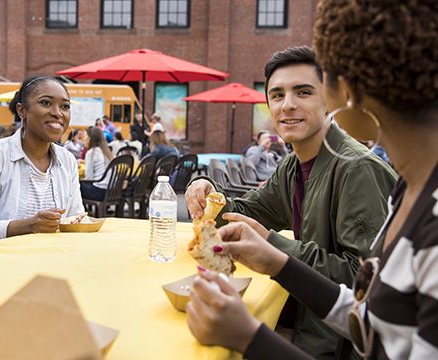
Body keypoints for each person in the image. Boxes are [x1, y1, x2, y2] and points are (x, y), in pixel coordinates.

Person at [187, 1, 438, 359]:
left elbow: (357, 279)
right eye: (277, 95)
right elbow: (373, 316)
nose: (288, 105)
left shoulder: (360, 169)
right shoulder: (405, 190)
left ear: (343, 89)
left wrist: (251, 338)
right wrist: (209, 193)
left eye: (306, 90)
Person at [0, 76, 84, 239]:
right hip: (4, 261)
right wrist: (29, 225)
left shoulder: (67, 160)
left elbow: (77, 219)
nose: (57, 113)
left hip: (56, 258)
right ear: (22, 110)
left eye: (65, 106)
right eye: (46, 103)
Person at [80, 127, 113, 201]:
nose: (84, 139)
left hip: (99, 192)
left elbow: (88, 177)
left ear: (91, 138)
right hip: (111, 191)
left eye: (85, 136)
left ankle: (83, 212)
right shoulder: (107, 152)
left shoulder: (92, 152)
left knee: (75, 186)